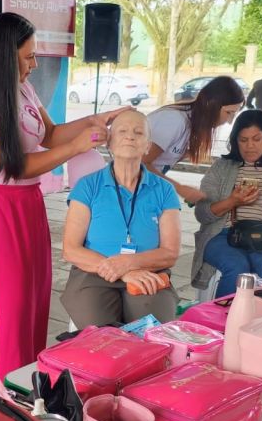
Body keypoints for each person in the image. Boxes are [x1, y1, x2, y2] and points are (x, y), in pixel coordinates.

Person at [0, 12, 123, 377]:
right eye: (28, 56)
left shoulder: (24, 88)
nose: (34, 63)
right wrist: (76, 148)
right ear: (4, 55)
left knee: (33, 294)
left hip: (27, 205)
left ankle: (27, 376)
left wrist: (96, 122)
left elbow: (51, 135)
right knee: (5, 303)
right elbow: (14, 166)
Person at [61, 110, 181, 328]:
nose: (130, 136)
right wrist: (122, 271)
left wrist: (130, 264)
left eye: (138, 132)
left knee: (151, 329)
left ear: (147, 145)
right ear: (110, 143)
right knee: (100, 335)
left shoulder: (164, 190)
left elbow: (170, 253)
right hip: (94, 272)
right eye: (122, 131)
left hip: (147, 271)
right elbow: (70, 249)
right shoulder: (88, 186)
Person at [191, 109, 262, 297]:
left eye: (257, 139)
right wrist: (232, 201)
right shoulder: (222, 167)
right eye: (243, 140)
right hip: (222, 235)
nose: (250, 146)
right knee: (237, 269)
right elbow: (202, 213)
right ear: (235, 141)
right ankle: (223, 321)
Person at [145, 76, 245, 205]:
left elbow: (168, 156)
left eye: (234, 114)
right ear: (211, 104)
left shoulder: (191, 123)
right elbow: (140, 164)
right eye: (229, 113)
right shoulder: (175, 120)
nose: (230, 121)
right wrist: (180, 188)